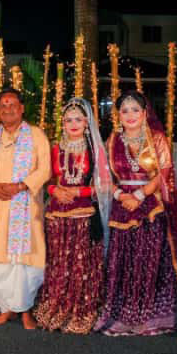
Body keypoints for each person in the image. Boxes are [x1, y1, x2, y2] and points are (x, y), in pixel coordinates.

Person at [94, 91, 177, 336]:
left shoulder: (156, 139)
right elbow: (104, 176)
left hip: (150, 207)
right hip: (121, 207)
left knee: (150, 260)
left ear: (144, 113)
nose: (130, 115)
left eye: (135, 110)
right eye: (125, 110)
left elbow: (163, 173)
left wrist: (140, 196)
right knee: (122, 262)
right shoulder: (113, 141)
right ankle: (123, 313)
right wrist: (121, 196)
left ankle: (152, 315)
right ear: (118, 115)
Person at [32, 97, 111, 334]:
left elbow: (105, 185)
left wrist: (80, 191)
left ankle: (81, 308)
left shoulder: (95, 150)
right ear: (62, 123)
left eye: (78, 119)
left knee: (81, 264)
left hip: (84, 214)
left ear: (87, 122)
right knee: (58, 263)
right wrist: (55, 190)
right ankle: (56, 305)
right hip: (57, 214)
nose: (73, 124)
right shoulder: (55, 148)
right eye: (68, 120)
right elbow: (46, 179)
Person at [0, 88, 51, 330]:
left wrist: (20, 186)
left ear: (21, 108)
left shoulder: (36, 135)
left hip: (26, 207)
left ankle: (26, 310)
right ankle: (6, 308)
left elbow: (45, 169)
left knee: (24, 261)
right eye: (3, 105)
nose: (8, 109)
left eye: (13, 105)